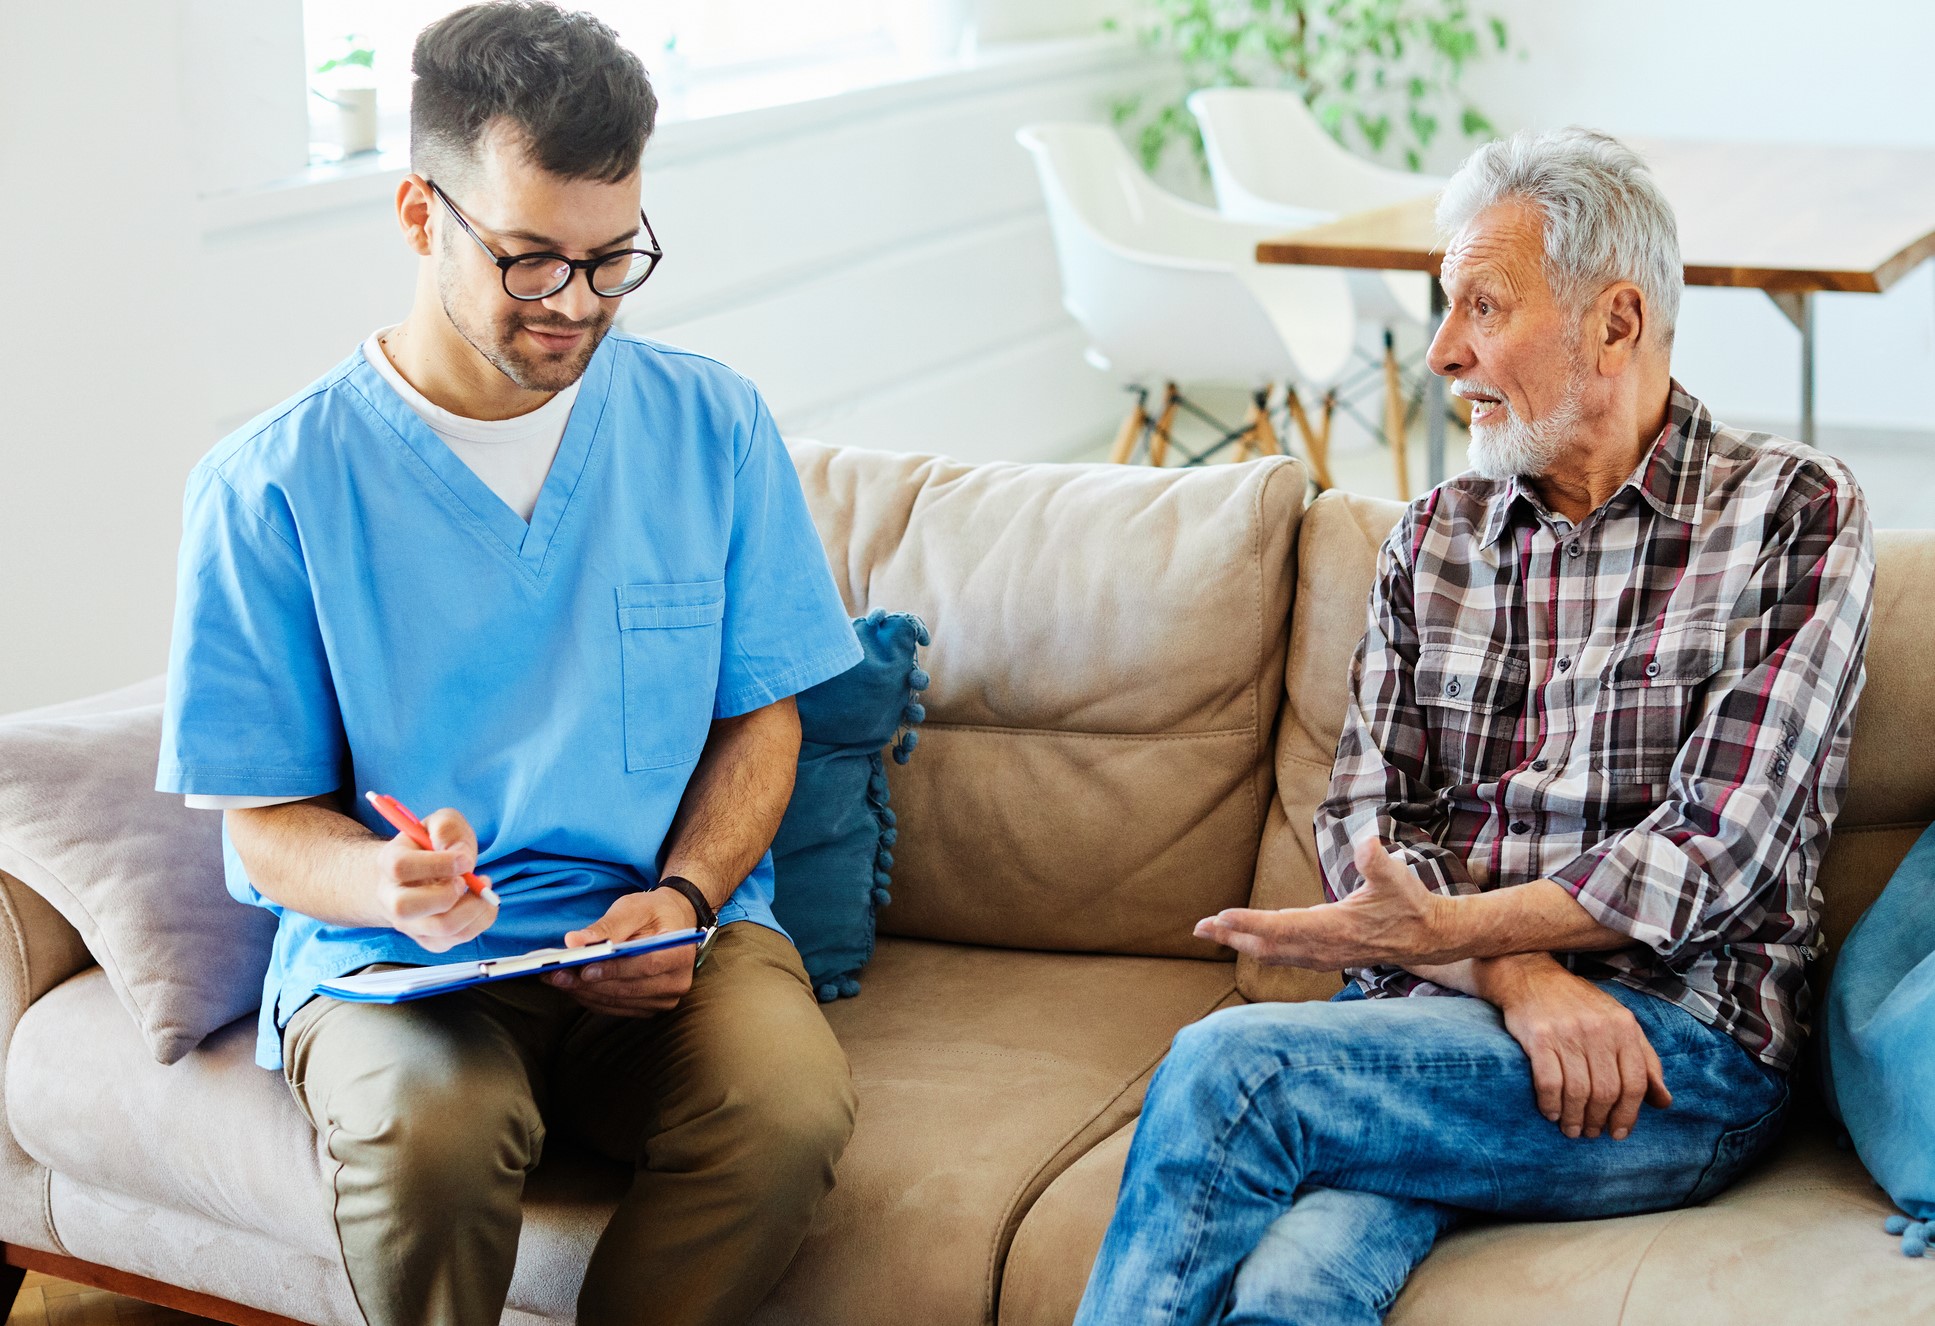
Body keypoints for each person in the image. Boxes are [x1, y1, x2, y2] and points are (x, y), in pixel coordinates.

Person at [1073, 127, 1875, 1325]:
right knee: (1295, 1284)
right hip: (1443, 1021)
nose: (1444, 353)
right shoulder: (1436, 534)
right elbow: (1361, 819)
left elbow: (1714, 846)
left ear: (1617, 321)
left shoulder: (1792, 514)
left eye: (1482, 308)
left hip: (1676, 1055)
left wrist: (1457, 934)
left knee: (1231, 1073)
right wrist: (1508, 968)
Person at [155, 5, 864, 1324]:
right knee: (430, 1128)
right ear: (421, 214)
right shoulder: (272, 486)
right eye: (533, 260)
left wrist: (686, 891)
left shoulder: (708, 424)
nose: (578, 304)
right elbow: (260, 829)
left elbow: (758, 718)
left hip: (657, 937)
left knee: (784, 1110)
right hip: (398, 967)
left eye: (613, 260)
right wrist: (388, 880)